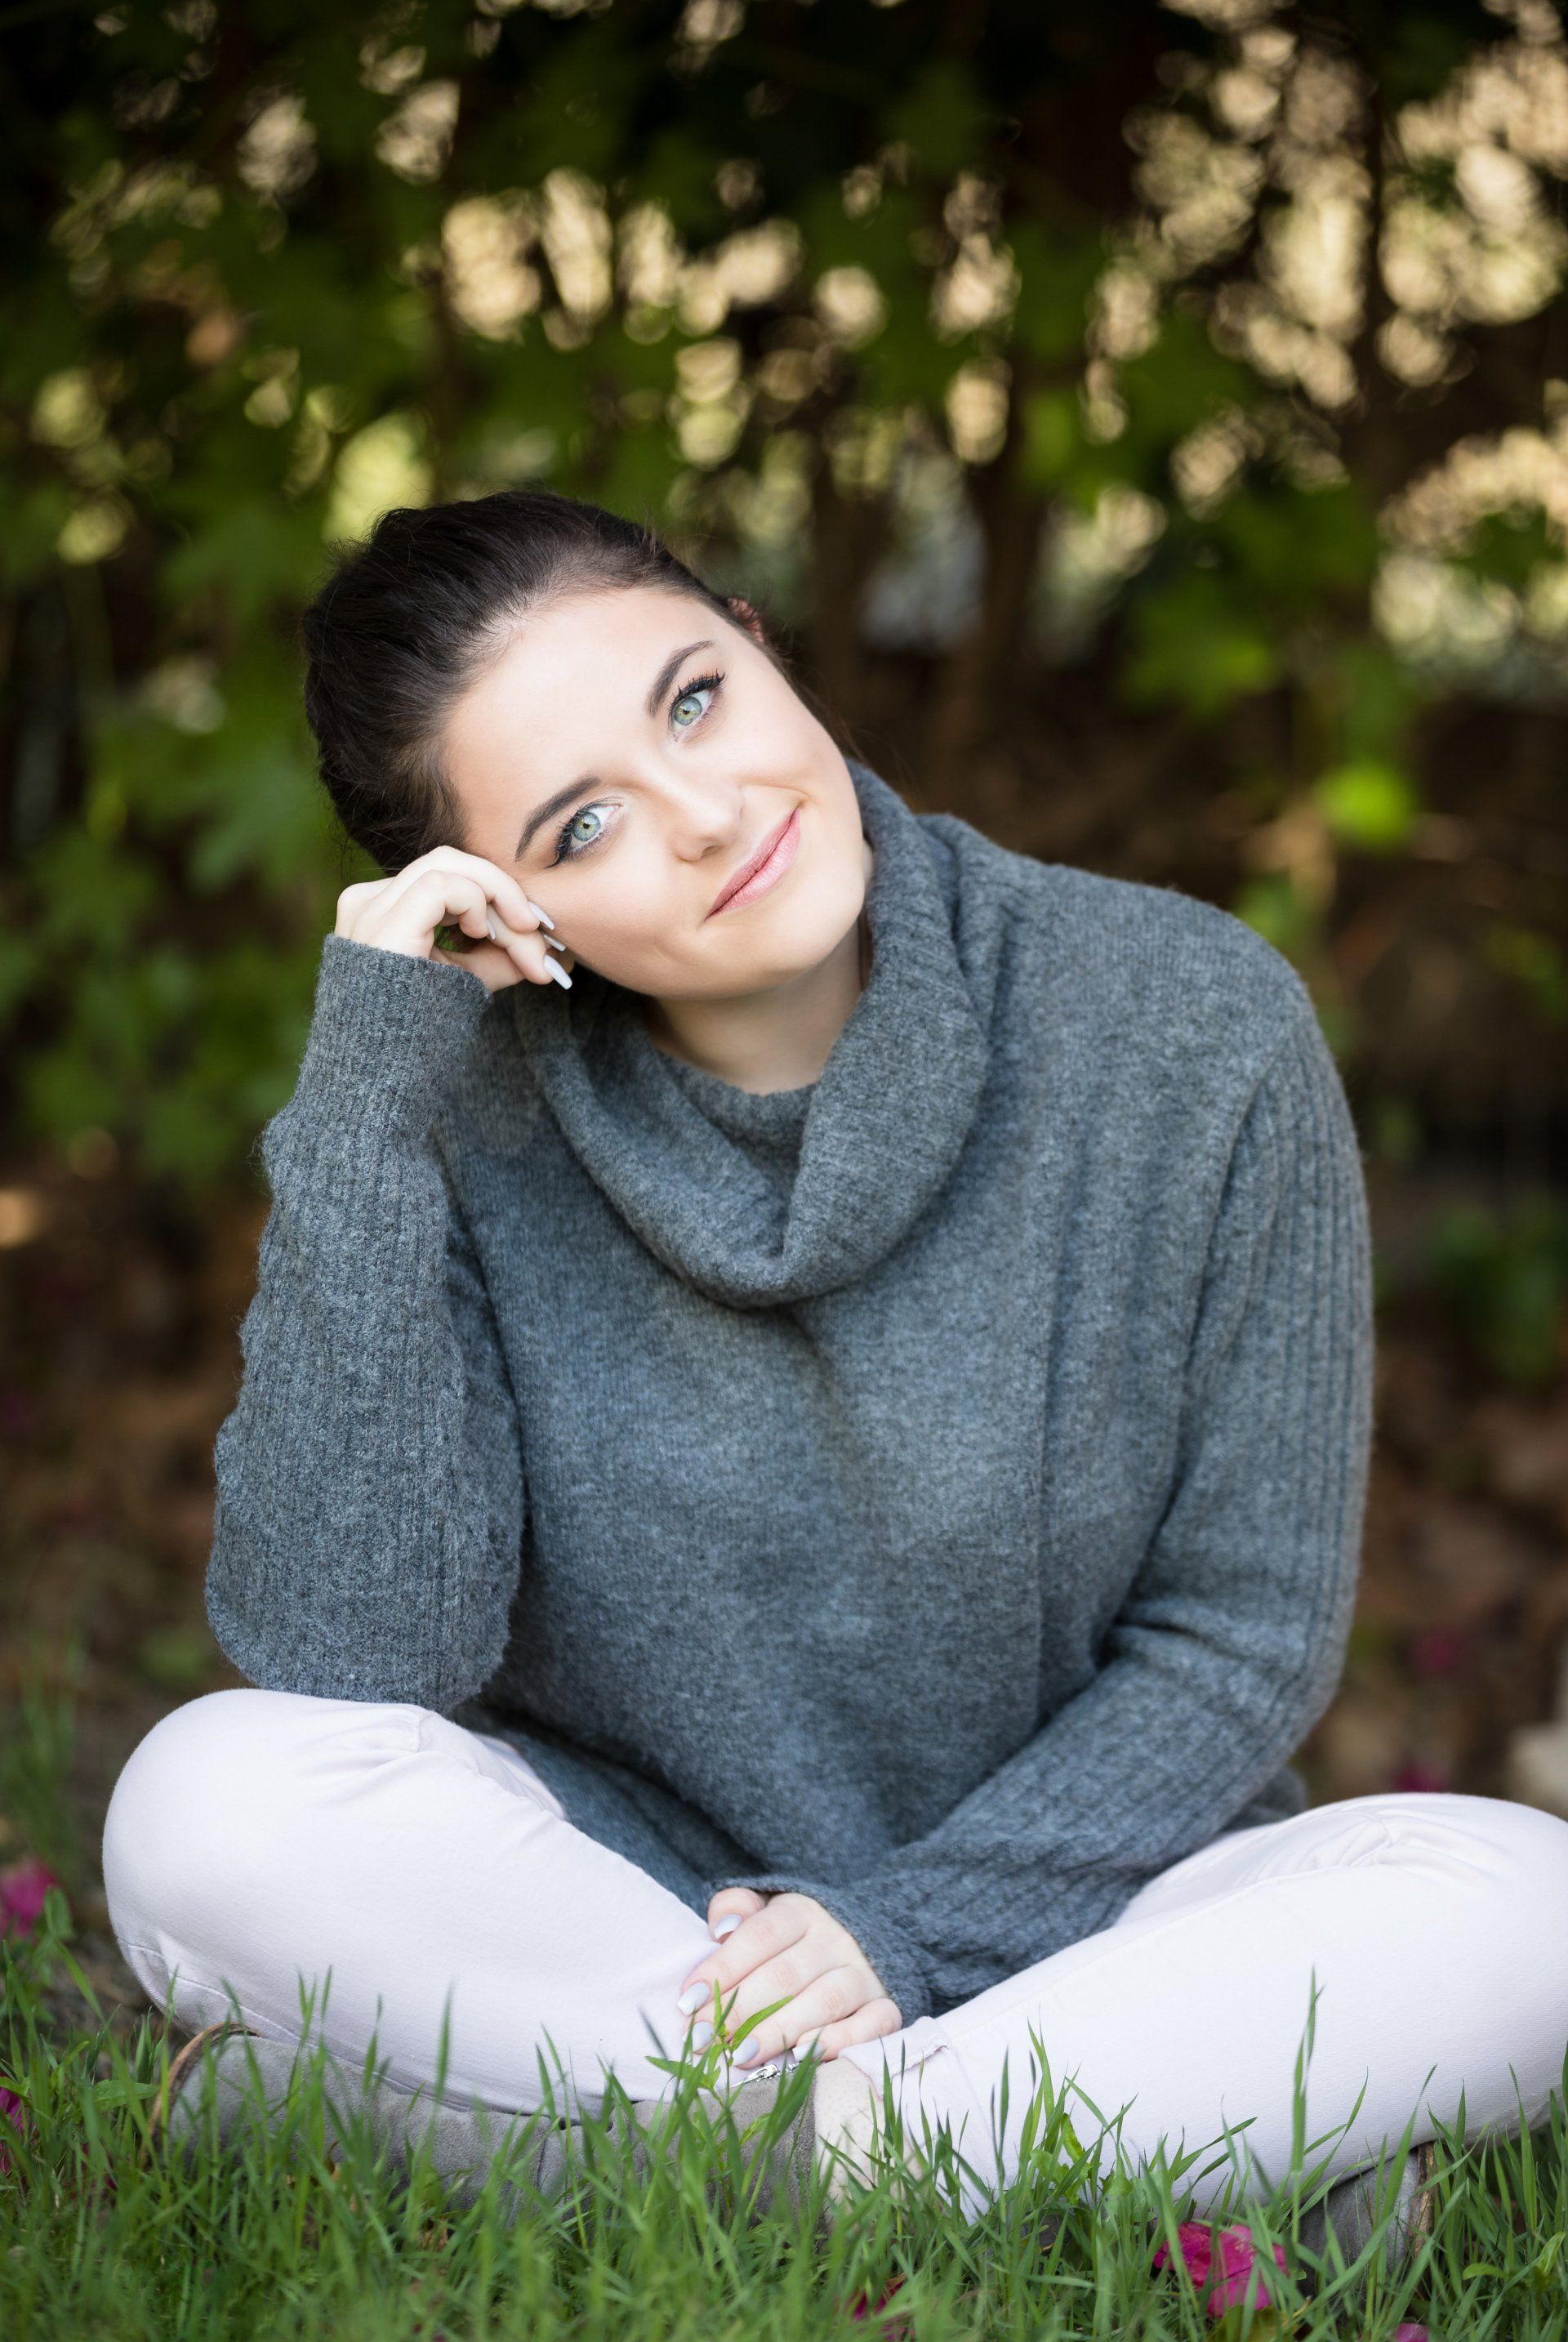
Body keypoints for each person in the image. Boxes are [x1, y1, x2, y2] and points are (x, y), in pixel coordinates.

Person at [102, 487, 1568, 2228]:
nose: (712, 817)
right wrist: (367, 1099)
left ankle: (557, 2140)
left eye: (695, 697)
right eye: (585, 826)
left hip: (1089, 1917)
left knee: (1529, 1906)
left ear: (761, 633)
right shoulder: (464, 1112)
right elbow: (359, 1654)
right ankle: (1036, 2163)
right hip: (631, 1922)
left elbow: (1238, 1639)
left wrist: (912, 1933)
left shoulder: (1190, 1025)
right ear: (507, 906)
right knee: (206, 1807)